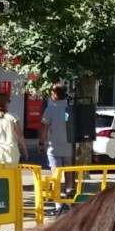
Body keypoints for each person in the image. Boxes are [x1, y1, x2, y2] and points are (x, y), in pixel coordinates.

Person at [39, 83, 73, 214]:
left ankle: (58, 206)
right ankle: (69, 204)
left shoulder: (51, 108)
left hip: (54, 149)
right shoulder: (71, 107)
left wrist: (41, 143)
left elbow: (44, 128)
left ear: (54, 94)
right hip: (70, 148)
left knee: (56, 178)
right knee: (69, 177)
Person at [0, 92, 26, 165]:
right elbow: (20, 134)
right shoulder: (13, 116)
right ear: (6, 103)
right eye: (9, 101)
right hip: (11, 152)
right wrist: (24, 149)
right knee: (11, 175)